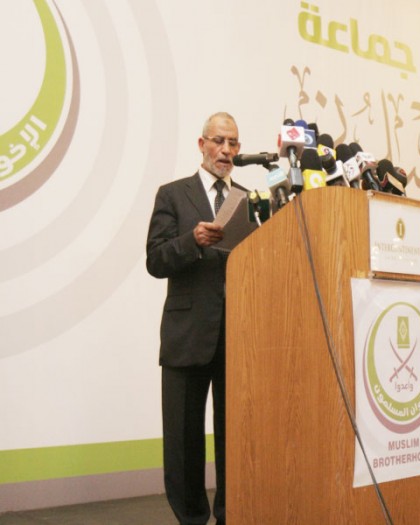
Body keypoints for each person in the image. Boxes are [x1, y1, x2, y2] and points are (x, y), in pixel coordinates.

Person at [146, 112, 245, 525]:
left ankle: (230, 514)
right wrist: (193, 240)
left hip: (237, 336)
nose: (226, 150)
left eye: (233, 143)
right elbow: (155, 260)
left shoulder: (245, 199)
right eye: (218, 141)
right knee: (184, 440)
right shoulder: (173, 195)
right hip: (187, 335)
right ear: (201, 145)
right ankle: (190, 518)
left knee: (234, 438)